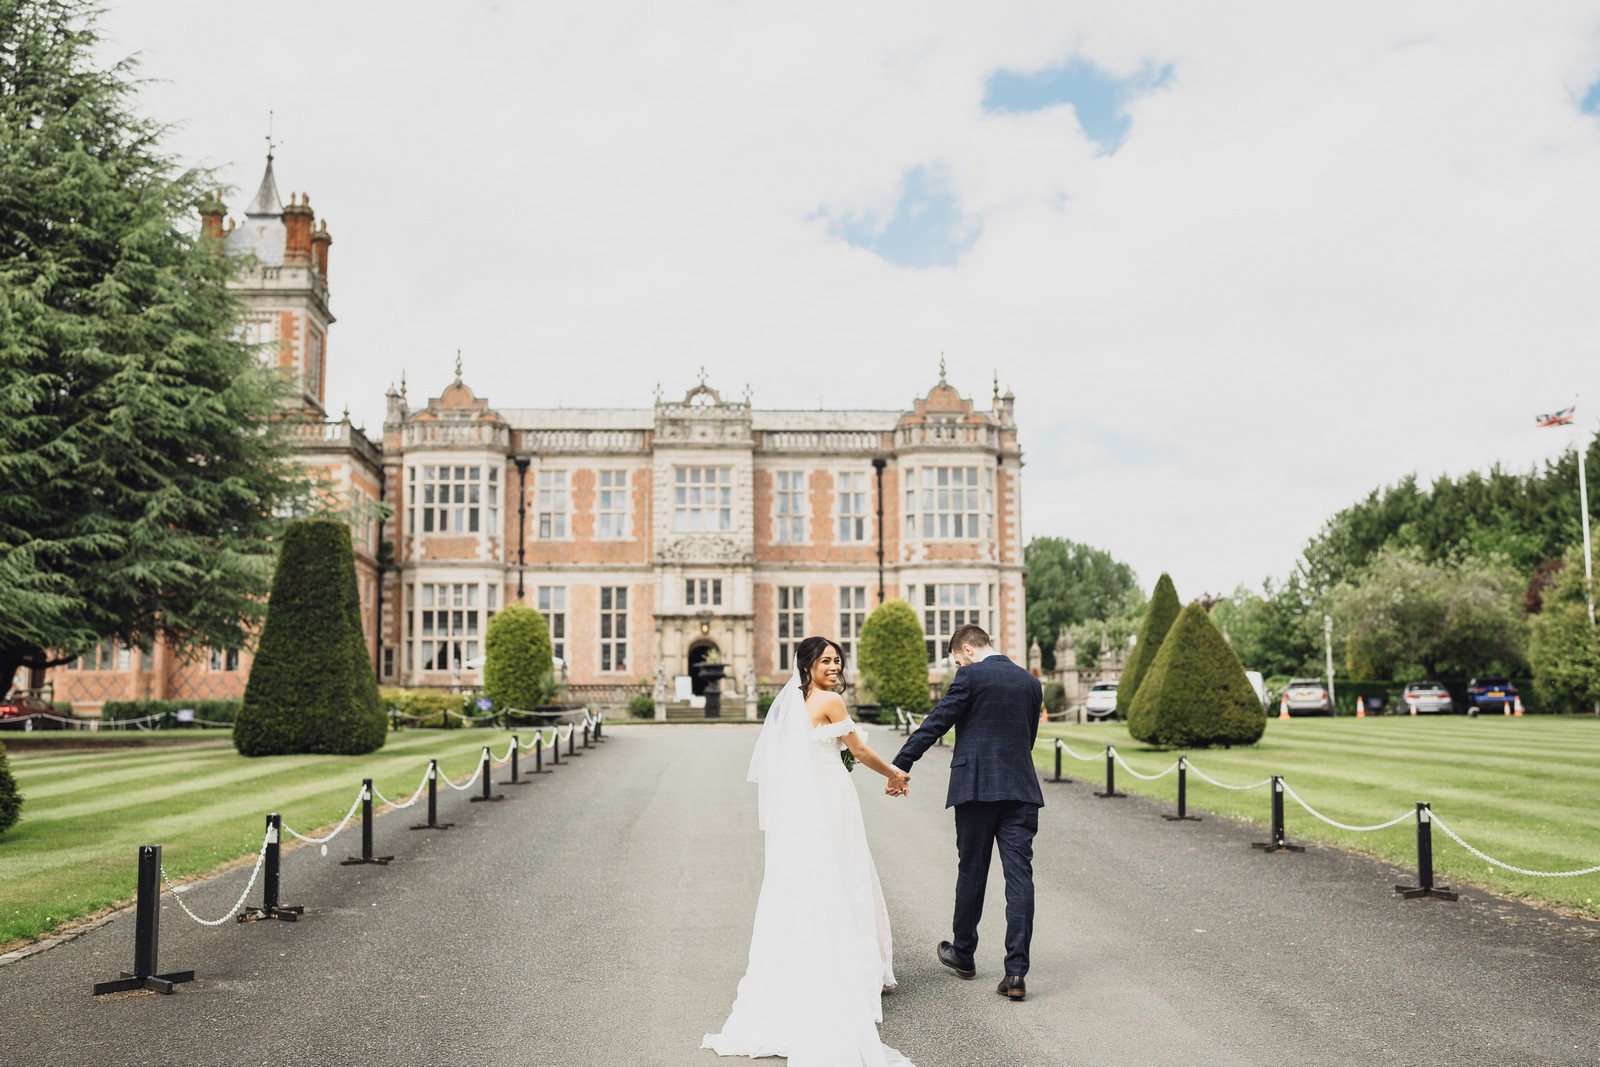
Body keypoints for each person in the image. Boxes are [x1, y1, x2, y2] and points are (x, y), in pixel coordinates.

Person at [703, 636, 916, 1066]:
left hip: (805, 805)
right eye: (826, 661)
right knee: (845, 874)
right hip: (831, 801)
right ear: (807, 666)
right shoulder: (830, 701)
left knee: (812, 879)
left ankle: (819, 962)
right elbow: (858, 750)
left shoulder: (792, 705)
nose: (834, 667)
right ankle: (851, 970)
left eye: (838, 660)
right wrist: (895, 774)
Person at [891, 624, 1044, 1002]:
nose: (959, 665)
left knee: (972, 871)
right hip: (1020, 788)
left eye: (958, 660)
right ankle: (1016, 972)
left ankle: (963, 953)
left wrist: (900, 765)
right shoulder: (1030, 682)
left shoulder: (970, 676)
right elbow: (1028, 738)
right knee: (1020, 877)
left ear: (967, 650)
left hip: (976, 788)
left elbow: (936, 722)